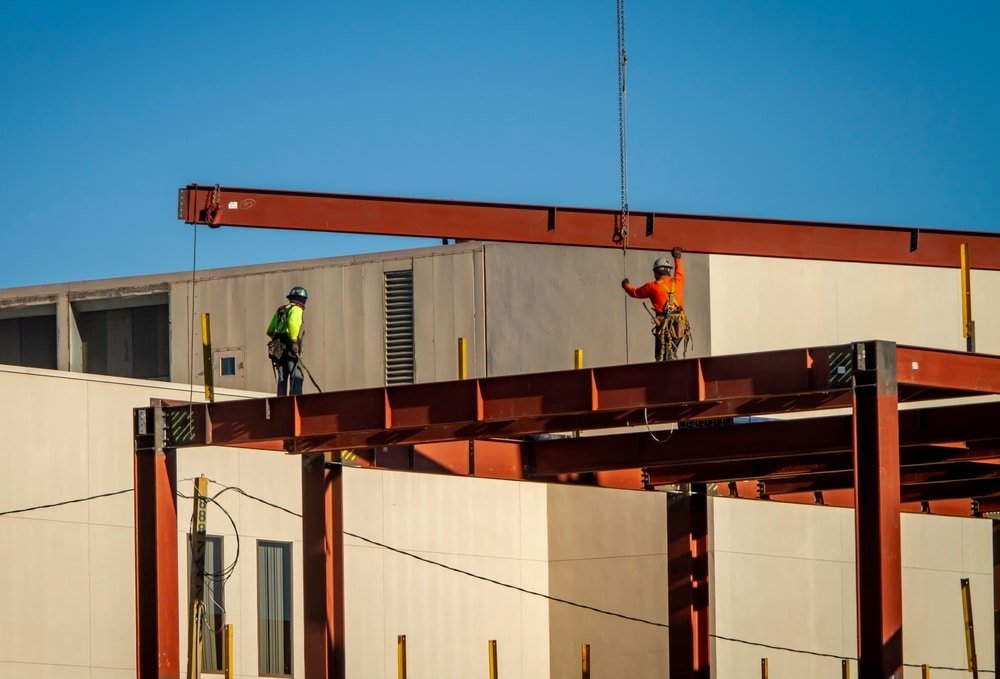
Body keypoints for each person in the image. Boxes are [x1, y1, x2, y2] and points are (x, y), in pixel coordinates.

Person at [621, 247, 690, 361]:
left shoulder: (652, 286)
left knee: (662, 357)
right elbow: (680, 271)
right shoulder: (678, 282)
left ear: (656, 272)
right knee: (672, 352)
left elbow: (635, 292)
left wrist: (625, 285)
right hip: (680, 326)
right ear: (668, 270)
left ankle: (669, 375)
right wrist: (677, 257)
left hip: (664, 327)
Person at [266, 286, 308, 395]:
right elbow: (293, 322)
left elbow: (270, 330)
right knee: (296, 376)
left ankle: (282, 401)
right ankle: (296, 401)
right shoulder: (296, 309)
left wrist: (277, 339)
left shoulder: (281, 310)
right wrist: (294, 341)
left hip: (278, 350)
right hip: (290, 349)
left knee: (282, 378)